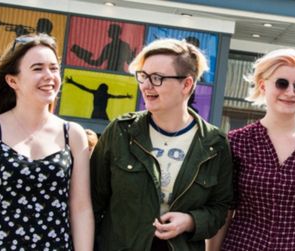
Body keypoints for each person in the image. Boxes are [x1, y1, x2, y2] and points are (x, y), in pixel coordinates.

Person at [0, 33, 94, 251]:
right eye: (37, 68)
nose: (49, 76)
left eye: (54, 68)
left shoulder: (73, 134)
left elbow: (81, 209)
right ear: (12, 80)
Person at [90, 38, 232, 251]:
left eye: (157, 78)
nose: (146, 86)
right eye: (143, 76)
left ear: (187, 84)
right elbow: (91, 202)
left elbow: (220, 209)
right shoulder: (121, 131)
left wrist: (191, 221)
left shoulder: (214, 144)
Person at [207, 48, 295, 251]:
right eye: (281, 83)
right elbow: (224, 212)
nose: (290, 92)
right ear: (262, 85)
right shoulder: (236, 143)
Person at [65, 76, 133, 121]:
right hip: (100, 112)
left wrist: (72, 82)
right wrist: (126, 96)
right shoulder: (105, 95)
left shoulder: (97, 93)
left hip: (97, 112)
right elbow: (117, 96)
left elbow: (83, 88)